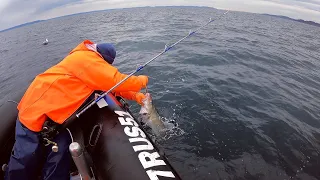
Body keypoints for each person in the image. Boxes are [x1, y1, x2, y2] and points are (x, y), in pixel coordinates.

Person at [5, 40, 148, 180]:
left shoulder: (88, 65)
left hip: (55, 121)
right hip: (34, 114)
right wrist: (141, 81)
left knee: (60, 152)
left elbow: (110, 88)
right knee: (25, 158)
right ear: (101, 59)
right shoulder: (85, 60)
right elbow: (116, 80)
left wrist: (137, 96)